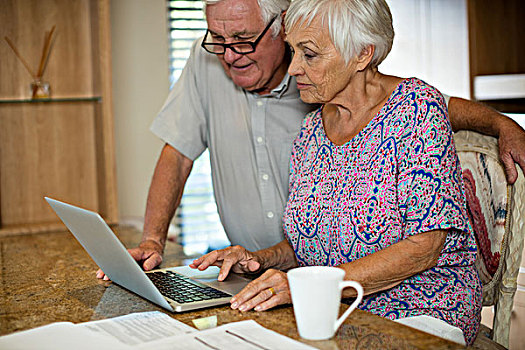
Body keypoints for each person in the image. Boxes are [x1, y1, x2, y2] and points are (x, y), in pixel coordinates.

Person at [97, 0, 525, 278]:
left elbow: (420, 107)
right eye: (219, 41)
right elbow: (178, 152)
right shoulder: (314, 128)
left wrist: (502, 123)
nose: (229, 54)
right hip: (299, 282)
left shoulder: (398, 104)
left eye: (243, 40)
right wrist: (251, 256)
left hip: (387, 304)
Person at [190, 0, 484, 345]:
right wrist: (257, 259)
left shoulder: (416, 109)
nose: (293, 68)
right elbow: (308, 245)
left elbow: (425, 246)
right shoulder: (311, 130)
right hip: (330, 310)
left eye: (309, 55)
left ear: (362, 54)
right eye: (292, 51)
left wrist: (312, 286)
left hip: (421, 311)